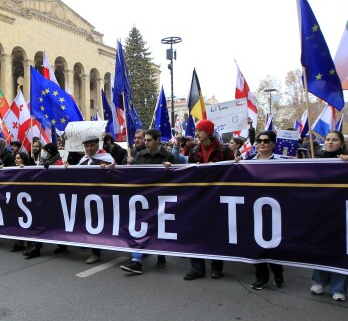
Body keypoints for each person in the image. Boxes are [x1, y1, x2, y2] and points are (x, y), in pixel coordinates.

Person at [235, 130, 285, 290]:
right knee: (255, 245)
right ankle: (261, 277)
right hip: (253, 209)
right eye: (259, 140)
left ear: (273, 144)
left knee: (274, 244)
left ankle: (278, 271)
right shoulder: (247, 161)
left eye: (266, 140)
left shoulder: (282, 161)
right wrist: (236, 166)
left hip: (275, 210)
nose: (262, 143)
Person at [120, 129, 174, 275]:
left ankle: (161, 255)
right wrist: (126, 164)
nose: (146, 143)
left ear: (157, 140)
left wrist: (171, 168)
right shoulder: (140, 155)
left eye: (149, 140)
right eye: (145, 140)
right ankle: (136, 261)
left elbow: (176, 177)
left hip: (160, 198)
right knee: (139, 227)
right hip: (144, 198)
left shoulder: (168, 155)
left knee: (158, 227)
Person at [309, 131, 348, 301]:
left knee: (340, 249)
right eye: (328, 139)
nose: (330, 142)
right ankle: (319, 280)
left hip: (342, 210)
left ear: (341, 143)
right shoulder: (317, 158)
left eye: (335, 140)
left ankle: (339, 288)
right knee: (320, 246)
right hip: (321, 210)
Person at [183, 120, 226, 281]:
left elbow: (232, 171)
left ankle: (216, 266)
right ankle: (197, 267)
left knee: (215, 232)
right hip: (198, 196)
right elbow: (190, 173)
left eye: (200, 130)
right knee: (195, 231)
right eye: (197, 130)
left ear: (209, 132)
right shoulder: (193, 151)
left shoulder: (223, 150)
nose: (197, 133)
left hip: (217, 195)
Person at [76, 136, 115, 264]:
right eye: (87, 146)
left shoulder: (106, 158)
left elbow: (116, 174)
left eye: (92, 145)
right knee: (90, 223)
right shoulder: (83, 160)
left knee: (98, 224)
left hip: (102, 198)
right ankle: (93, 248)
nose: (89, 148)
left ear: (98, 146)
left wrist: (109, 169)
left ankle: (96, 252)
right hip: (87, 197)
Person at [23, 143, 65, 258]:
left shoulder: (58, 163)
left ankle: (62, 244)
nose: (43, 153)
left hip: (55, 197)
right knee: (41, 221)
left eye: (45, 151)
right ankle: (37, 247)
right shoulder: (44, 163)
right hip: (45, 196)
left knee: (57, 222)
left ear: (50, 152)